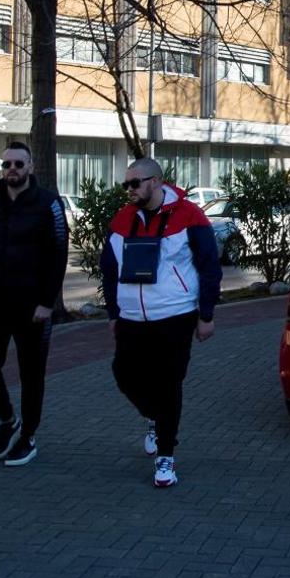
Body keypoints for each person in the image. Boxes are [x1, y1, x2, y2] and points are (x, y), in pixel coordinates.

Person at [102, 158, 221, 489]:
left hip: (175, 314)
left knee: (169, 383)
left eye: (135, 183)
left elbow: (210, 266)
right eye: (126, 185)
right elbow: (109, 269)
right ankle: (154, 417)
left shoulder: (189, 216)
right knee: (123, 374)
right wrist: (113, 312)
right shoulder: (122, 220)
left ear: (155, 182)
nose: (129, 190)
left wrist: (206, 315)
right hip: (131, 318)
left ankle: (166, 455)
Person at [0, 141, 69, 468]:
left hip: (32, 306)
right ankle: (9, 421)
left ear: (30, 167)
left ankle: (29, 436)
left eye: (18, 164)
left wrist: (47, 302)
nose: (12, 170)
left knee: (31, 374)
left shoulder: (48, 203)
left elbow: (59, 254)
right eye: (7, 164)